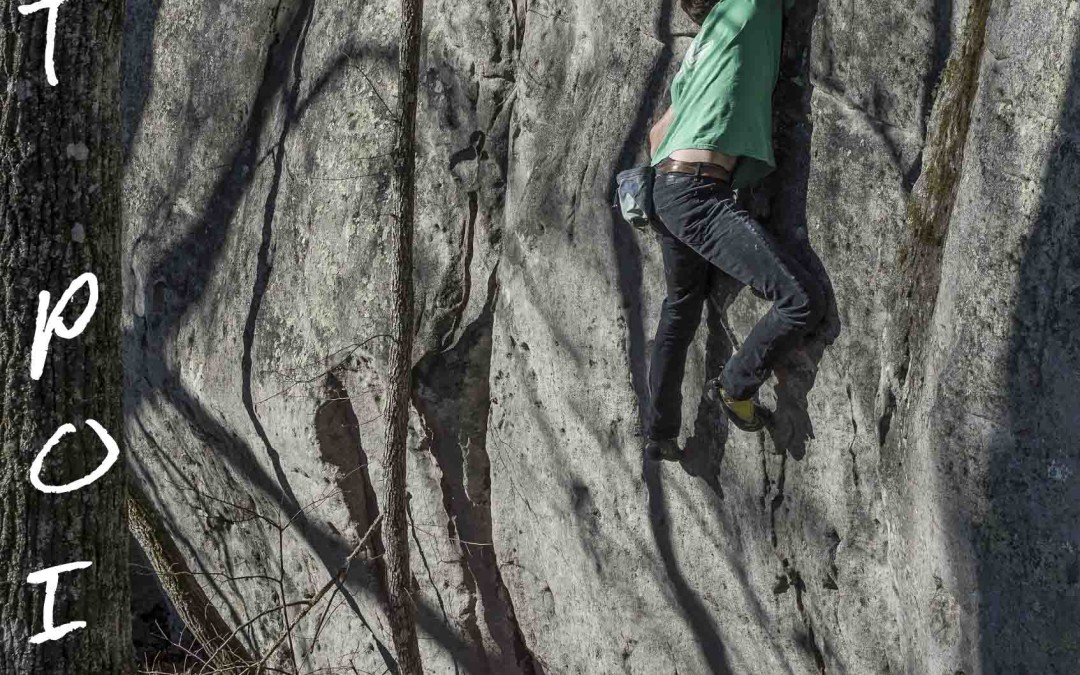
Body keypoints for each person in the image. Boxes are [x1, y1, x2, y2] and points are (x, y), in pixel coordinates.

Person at [644, 0, 825, 460]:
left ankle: (659, 431)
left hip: (666, 186)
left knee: (681, 305)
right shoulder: (748, 9)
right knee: (799, 300)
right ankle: (735, 386)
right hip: (698, 193)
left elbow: (654, 136)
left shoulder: (700, 52)